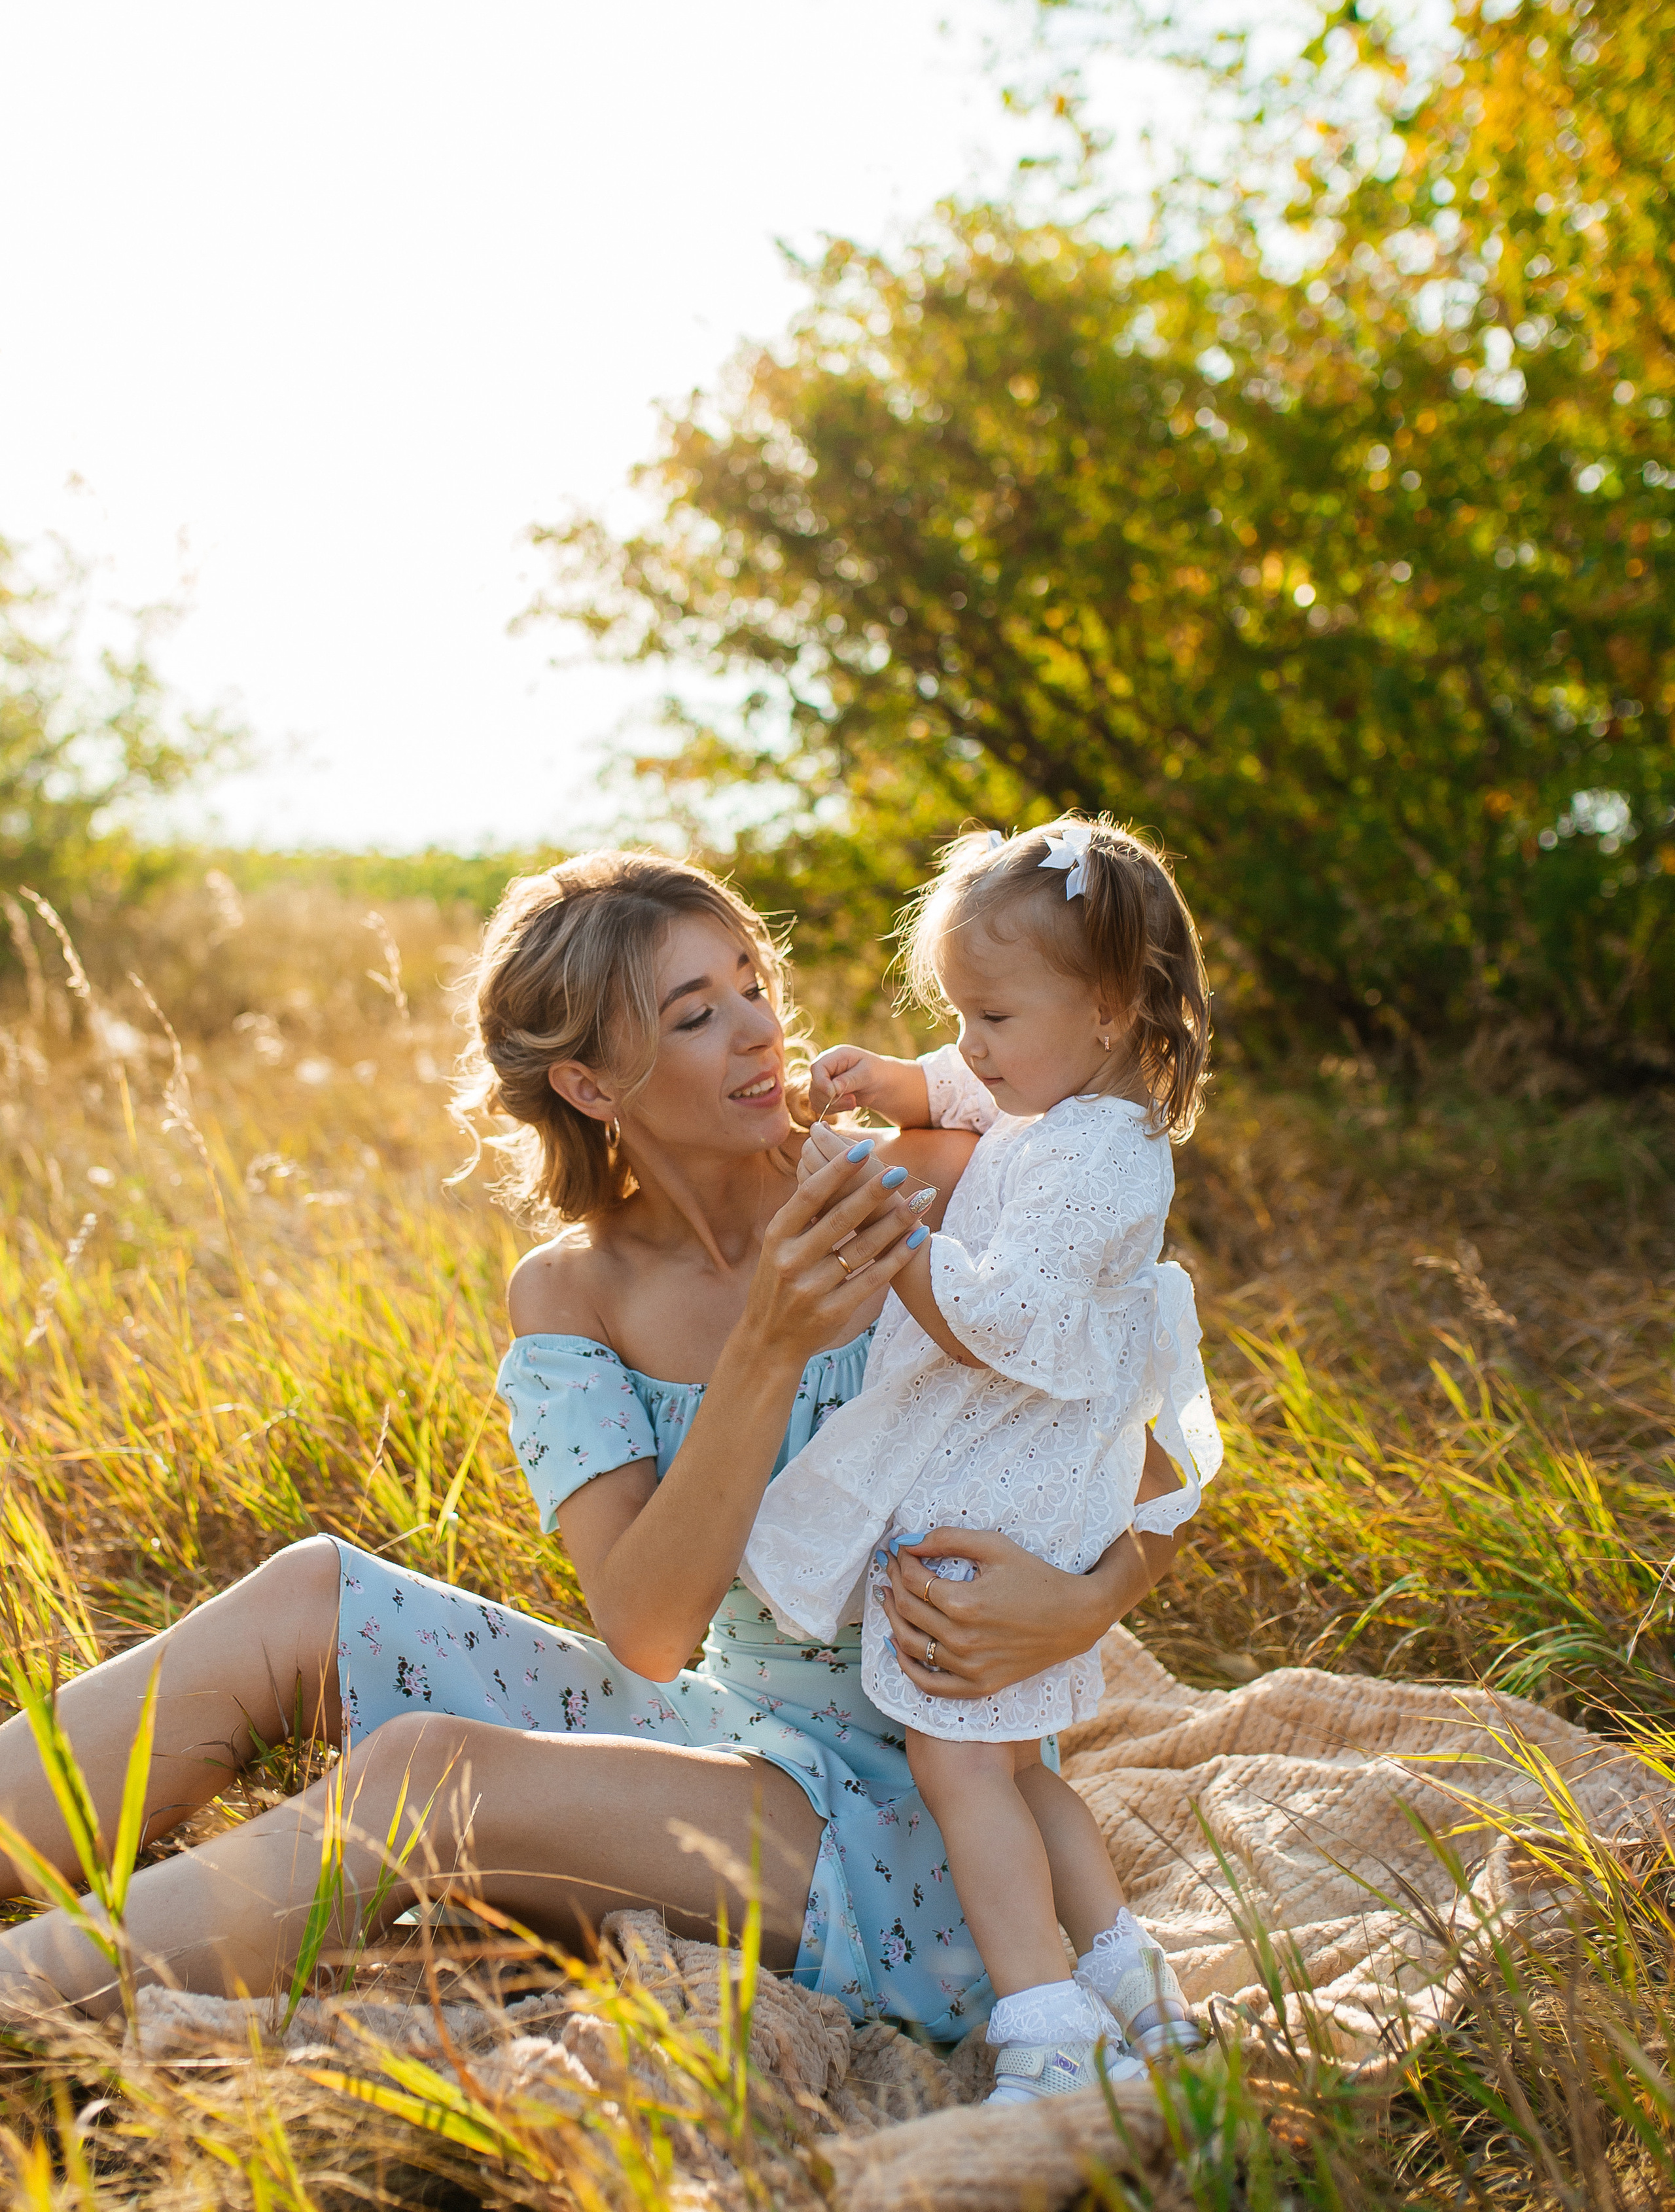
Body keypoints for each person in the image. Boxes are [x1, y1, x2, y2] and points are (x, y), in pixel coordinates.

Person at [0, 850, 1186, 2052]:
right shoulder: (574, 1293)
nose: (757, 1033)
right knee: (314, 1589)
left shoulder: (919, 1190)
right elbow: (650, 1631)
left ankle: (16, 1998)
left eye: (749, 984)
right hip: (722, 1725)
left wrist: (1088, 1605)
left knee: (428, 1778)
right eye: (693, 1014)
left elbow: (1156, 1442)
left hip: (927, 1821)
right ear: (591, 1082)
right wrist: (769, 1345)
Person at [741, 819, 1221, 2101]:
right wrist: (894, 1082)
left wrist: (887, 1221)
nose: (970, 1047)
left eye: (988, 1016)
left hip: (1005, 1478)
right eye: (955, 1013)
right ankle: (1124, 1967)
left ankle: (1043, 2023)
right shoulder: (1057, 1097)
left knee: (957, 1764)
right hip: (1027, 1472)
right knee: (1016, 1760)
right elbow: (969, 1095)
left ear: (1110, 1011)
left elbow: (995, 1323)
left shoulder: (1098, 1163)